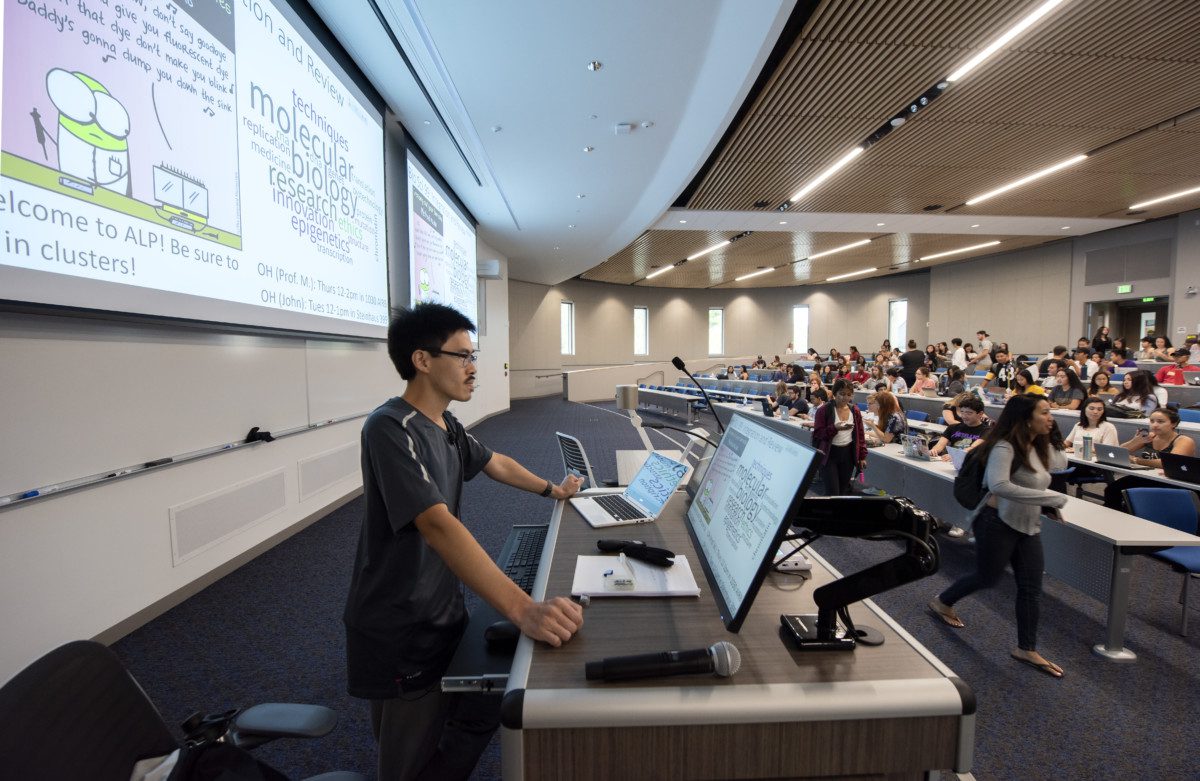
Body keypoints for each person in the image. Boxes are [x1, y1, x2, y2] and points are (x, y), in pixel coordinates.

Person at [344, 303, 584, 780]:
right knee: (406, 760)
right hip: (400, 622)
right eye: (462, 355)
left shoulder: (446, 424)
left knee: (471, 713)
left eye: (474, 354)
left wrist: (551, 490)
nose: (474, 367)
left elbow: (496, 462)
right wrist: (522, 609)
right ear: (422, 360)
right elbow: (437, 525)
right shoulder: (390, 427)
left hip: (441, 607)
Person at [928, 395, 1068, 679]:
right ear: (1026, 417)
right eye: (1044, 413)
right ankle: (943, 601)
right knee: (987, 576)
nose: (1050, 416)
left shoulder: (1037, 446)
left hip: (1028, 525)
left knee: (1031, 587)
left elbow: (1060, 463)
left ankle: (1026, 648)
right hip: (996, 522)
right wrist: (1050, 497)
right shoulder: (1004, 446)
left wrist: (1053, 434)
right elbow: (999, 485)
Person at [1103, 408, 1198, 510]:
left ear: (1173, 424)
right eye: (1152, 421)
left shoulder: (1184, 440)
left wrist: (1137, 460)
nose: (1155, 425)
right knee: (1112, 489)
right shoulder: (1150, 437)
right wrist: (1135, 441)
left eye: (1160, 422)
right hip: (1149, 477)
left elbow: (1168, 464)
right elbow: (1118, 452)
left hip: (1172, 481)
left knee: (1143, 499)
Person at [812, 379, 867, 496]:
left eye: (849, 395)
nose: (845, 398)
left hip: (847, 455)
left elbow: (860, 435)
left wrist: (862, 456)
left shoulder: (854, 410)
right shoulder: (824, 410)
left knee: (842, 492)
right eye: (842, 394)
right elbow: (818, 433)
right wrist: (834, 428)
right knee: (832, 492)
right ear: (835, 393)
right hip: (829, 454)